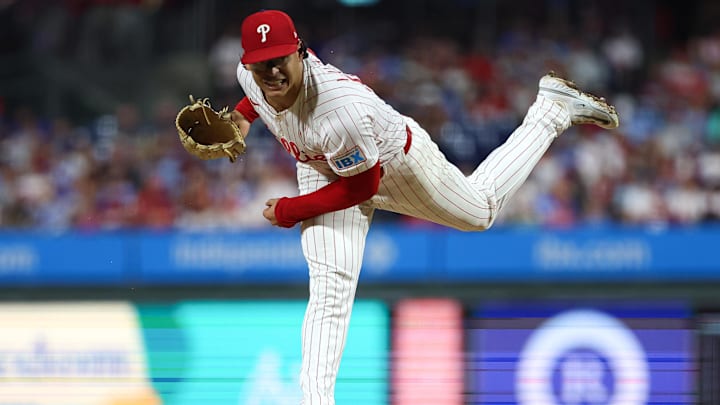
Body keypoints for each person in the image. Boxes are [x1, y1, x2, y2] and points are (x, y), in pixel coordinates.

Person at [229, 9, 619, 404]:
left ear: (300, 52)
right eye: (262, 65)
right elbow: (255, 99)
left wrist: (290, 211)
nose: (272, 72)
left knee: (480, 211)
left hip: (397, 163)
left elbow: (361, 188)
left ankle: (550, 112)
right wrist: (240, 121)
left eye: (280, 60)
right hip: (323, 167)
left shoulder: (339, 108)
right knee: (330, 288)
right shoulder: (251, 76)